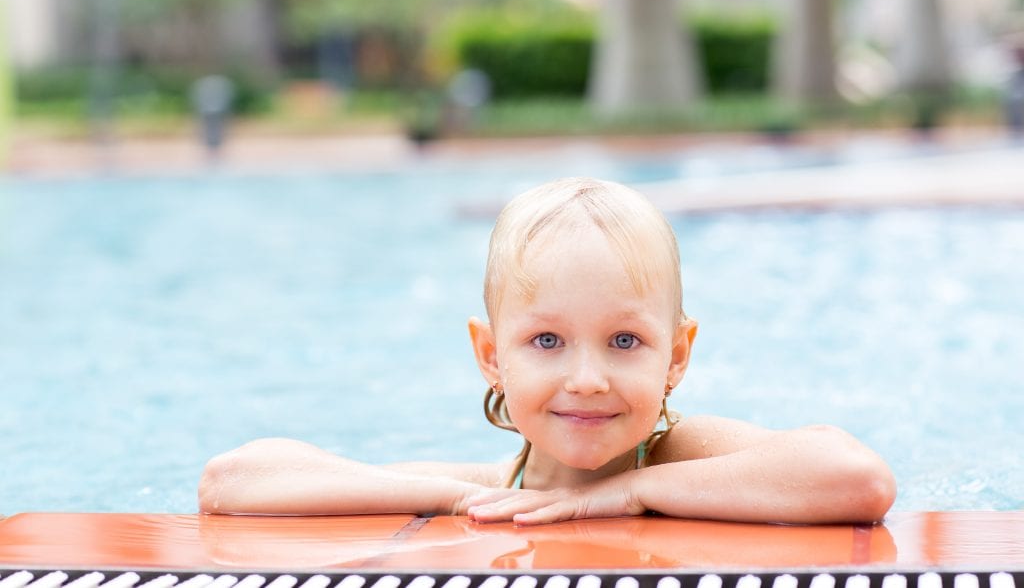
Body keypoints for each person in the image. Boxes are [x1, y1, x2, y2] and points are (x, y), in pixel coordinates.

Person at [198, 177, 896, 525]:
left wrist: (633, 489)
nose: (586, 378)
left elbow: (857, 477)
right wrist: (451, 497)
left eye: (625, 340)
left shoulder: (680, 451)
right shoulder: (487, 483)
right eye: (546, 340)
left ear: (677, 355)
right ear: (491, 354)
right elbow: (230, 482)